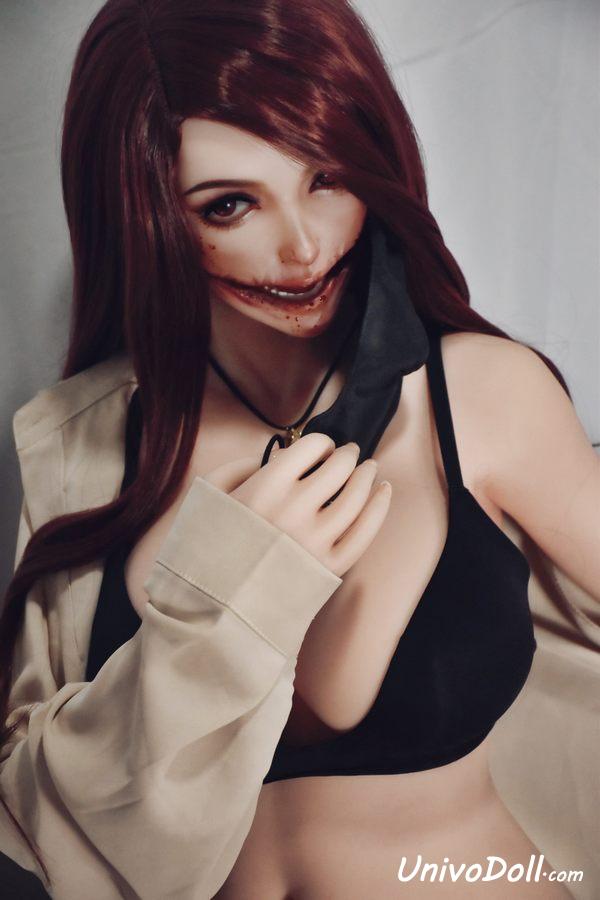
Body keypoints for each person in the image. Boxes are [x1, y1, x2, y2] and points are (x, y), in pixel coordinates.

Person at [1, 0, 597, 897]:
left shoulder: (482, 395)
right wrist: (222, 592)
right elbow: (34, 808)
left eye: (327, 178)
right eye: (229, 204)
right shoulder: (81, 442)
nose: (304, 245)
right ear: (143, 213)